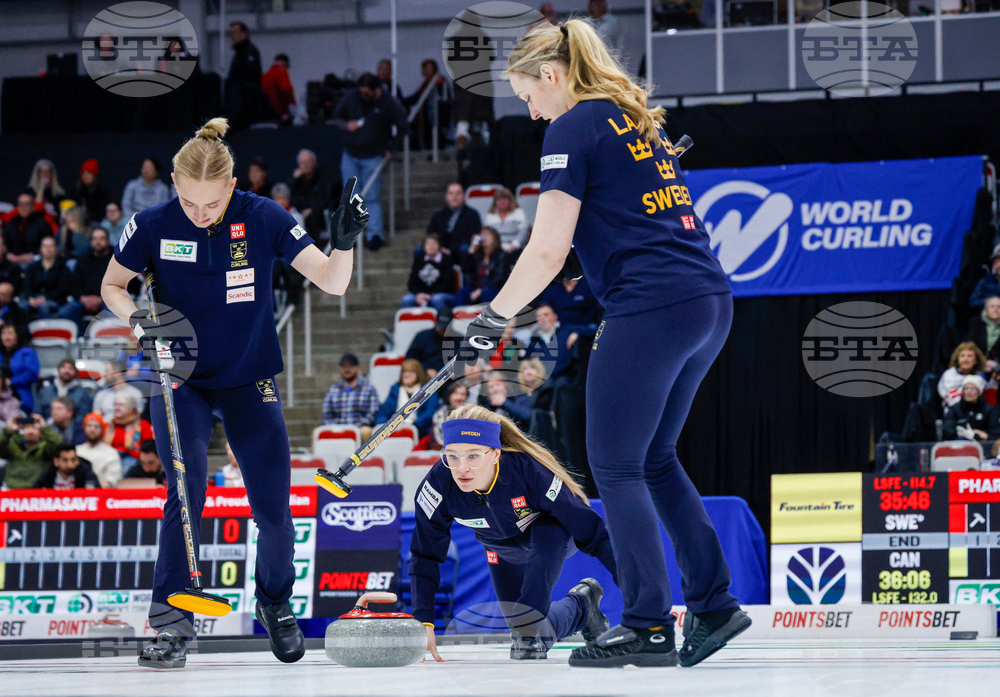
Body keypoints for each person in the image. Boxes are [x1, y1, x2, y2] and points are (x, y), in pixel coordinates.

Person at [460, 19, 751, 668]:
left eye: (528, 96)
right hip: (708, 300)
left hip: (650, 306)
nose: (532, 113)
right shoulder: (632, 117)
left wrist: (492, 317)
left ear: (551, 75)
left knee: (615, 465)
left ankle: (647, 624)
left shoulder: (572, 126)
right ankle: (714, 604)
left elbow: (545, 251)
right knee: (654, 458)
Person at [101, 117, 365, 668]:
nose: (200, 214)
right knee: (186, 489)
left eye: (211, 203)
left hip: (248, 377)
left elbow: (333, 280)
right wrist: (138, 321)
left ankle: (275, 602)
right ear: (174, 185)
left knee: (273, 509)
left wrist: (343, 244)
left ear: (232, 185)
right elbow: (112, 286)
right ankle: (172, 623)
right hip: (180, 379)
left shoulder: (264, 216)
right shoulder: (150, 224)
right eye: (188, 202)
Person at [411, 405, 616, 660]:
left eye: (473, 456)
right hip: (501, 550)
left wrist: (637, 591)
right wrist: (424, 622)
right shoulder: (438, 486)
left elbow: (594, 532)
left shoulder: (529, 471)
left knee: (528, 619)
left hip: (552, 538)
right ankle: (583, 606)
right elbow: (425, 555)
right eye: (452, 456)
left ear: (495, 454)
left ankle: (531, 621)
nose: (461, 468)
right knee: (528, 640)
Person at [331, 72, 409, 251]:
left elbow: (403, 125)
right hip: (351, 154)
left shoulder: (388, 102)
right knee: (351, 197)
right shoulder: (352, 97)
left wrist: (392, 148)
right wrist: (346, 125)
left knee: (372, 197)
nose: (363, 95)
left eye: (367, 93)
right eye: (361, 91)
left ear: (376, 90)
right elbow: (336, 118)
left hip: (374, 155)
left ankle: (375, 235)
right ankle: (352, 235)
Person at [58, 226, 113, 329]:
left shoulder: (117, 259)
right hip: (84, 300)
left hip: (108, 301)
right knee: (64, 313)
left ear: (108, 241)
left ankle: (104, 336)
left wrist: (101, 299)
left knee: (115, 313)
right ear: (91, 242)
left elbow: (122, 285)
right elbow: (74, 284)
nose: (98, 242)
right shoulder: (83, 259)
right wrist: (82, 298)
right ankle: (83, 334)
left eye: (102, 238)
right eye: (95, 238)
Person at [321, 353, 381, 441]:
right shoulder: (333, 390)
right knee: (317, 432)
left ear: (358, 368)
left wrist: (354, 427)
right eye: (344, 367)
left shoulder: (369, 389)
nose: (347, 369)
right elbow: (326, 415)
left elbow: (373, 413)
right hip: (337, 427)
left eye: (350, 366)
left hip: (360, 427)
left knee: (366, 431)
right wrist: (339, 427)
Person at [374, 358, 438, 438]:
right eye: (404, 371)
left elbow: (430, 413)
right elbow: (384, 411)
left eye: (411, 372)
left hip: (420, 429)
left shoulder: (428, 389)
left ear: (419, 373)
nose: (406, 374)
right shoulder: (395, 389)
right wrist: (384, 425)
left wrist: (412, 425)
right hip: (395, 427)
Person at [0, 412, 62, 489]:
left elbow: (58, 446)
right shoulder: (14, 445)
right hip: (12, 487)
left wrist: (44, 428)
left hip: (36, 488)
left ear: (40, 432)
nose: (30, 431)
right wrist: (8, 431)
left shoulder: (45, 447)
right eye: (27, 428)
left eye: (34, 428)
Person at [224, 22, 267, 131]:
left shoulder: (248, 52)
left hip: (244, 108)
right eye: (231, 33)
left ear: (244, 34)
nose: (232, 36)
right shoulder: (240, 53)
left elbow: (251, 80)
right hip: (239, 105)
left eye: (235, 32)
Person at [21, 236, 71, 319]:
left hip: (54, 300)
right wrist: (30, 298)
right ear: (41, 249)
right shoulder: (32, 267)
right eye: (45, 246)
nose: (48, 249)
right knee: (22, 306)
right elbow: (27, 285)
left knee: (44, 306)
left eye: (50, 246)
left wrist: (46, 298)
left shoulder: (63, 268)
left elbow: (62, 289)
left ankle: (45, 327)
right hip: (34, 298)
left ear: (56, 249)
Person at [402, 234, 456, 310]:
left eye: (434, 243)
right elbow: (412, 282)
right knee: (407, 299)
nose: (431, 246)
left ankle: (442, 317)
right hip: (421, 294)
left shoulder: (446, 260)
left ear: (439, 246)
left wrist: (431, 295)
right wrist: (419, 294)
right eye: (428, 244)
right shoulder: (419, 260)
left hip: (441, 294)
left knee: (437, 299)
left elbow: (448, 283)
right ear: (424, 247)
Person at [457, 227, 508, 306]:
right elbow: (465, 270)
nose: (484, 237)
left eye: (487, 234)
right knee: (463, 291)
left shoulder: (501, 255)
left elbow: (499, 278)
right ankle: (461, 313)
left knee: (486, 292)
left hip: (494, 289)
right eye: (482, 234)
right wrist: (471, 250)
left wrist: (481, 290)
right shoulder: (478, 255)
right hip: (477, 288)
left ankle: (488, 313)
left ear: (494, 238)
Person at [289, 149, 332, 243]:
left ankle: (311, 246)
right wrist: (294, 180)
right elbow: (290, 198)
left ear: (314, 163)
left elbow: (325, 199)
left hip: (317, 215)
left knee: (312, 218)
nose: (305, 165)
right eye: (302, 163)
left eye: (307, 162)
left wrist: (311, 209)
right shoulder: (296, 182)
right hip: (299, 214)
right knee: (292, 219)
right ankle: (297, 246)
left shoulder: (322, 179)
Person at [427, 183, 482, 256]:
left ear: (464, 196)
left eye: (458, 193)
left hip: (460, 248)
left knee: (465, 248)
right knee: (419, 250)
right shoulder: (438, 215)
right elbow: (431, 233)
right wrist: (440, 247)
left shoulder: (472, 215)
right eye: (451, 193)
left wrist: (452, 250)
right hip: (440, 247)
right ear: (446, 197)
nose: (454, 197)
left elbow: (473, 236)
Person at [943, 375, 1000, 441]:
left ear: (979, 392)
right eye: (966, 389)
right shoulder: (955, 409)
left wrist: (978, 435)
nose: (969, 392)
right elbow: (947, 430)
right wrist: (961, 433)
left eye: (973, 389)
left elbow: (995, 433)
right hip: (959, 444)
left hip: (984, 444)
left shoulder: (989, 409)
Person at [4, 192, 55, 264]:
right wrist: (8, 254)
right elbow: (5, 244)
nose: (24, 207)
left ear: (33, 207)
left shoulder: (43, 225)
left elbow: (48, 246)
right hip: (12, 262)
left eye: (27, 204)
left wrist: (33, 256)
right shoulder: (10, 224)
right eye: (21, 204)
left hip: (35, 262)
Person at [105, 393, 154, 467]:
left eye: (121, 405)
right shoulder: (108, 426)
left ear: (132, 408)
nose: (117, 408)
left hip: (133, 461)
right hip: (109, 459)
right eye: (115, 405)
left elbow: (148, 450)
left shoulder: (143, 426)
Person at [76, 411, 122, 488]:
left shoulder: (111, 453)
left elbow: (113, 478)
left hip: (102, 491)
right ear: (84, 428)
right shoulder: (77, 451)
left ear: (102, 430)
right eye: (89, 426)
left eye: (96, 427)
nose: (92, 429)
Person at [0, 323, 39, 409]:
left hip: (19, 396)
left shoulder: (27, 352)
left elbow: (31, 374)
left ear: (17, 336)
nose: (6, 337)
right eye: (3, 333)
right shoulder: (1, 354)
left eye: (10, 333)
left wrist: (10, 382)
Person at [938, 342, 986, 409]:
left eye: (969, 356)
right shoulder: (949, 375)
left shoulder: (979, 377)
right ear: (957, 359)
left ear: (975, 361)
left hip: (975, 411)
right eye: (962, 356)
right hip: (953, 411)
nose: (965, 359)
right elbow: (952, 400)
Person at [405, 309, 452, 377]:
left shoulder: (459, 339)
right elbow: (410, 360)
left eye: (445, 328)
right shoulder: (422, 337)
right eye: (440, 327)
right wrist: (424, 369)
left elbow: (464, 361)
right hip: (425, 377)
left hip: (450, 378)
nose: (442, 330)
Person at [33, 442, 100, 489]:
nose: (70, 465)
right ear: (56, 461)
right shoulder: (47, 477)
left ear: (77, 460)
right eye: (65, 460)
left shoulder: (87, 476)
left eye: (73, 460)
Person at [483, 187, 530, 254]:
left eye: (505, 199)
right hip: (496, 249)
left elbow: (524, 232)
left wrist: (515, 245)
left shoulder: (519, 213)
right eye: (499, 200)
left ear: (511, 201)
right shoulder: (490, 216)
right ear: (495, 202)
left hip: (515, 248)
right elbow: (487, 235)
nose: (502, 202)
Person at [427, 382, 468, 450]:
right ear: (449, 396)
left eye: (463, 394)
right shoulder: (440, 414)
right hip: (441, 449)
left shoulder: (472, 414)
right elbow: (435, 439)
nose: (459, 397)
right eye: (456, 394)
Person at [70, 159, 111, 224]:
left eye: (89, 173)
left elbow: (102, 211)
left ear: (95, 175)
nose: (85, 176)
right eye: (83, 173)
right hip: (78, 222)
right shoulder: (76, 190)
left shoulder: (103, 191)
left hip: (98, 223)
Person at [966, 295, 1000, 368]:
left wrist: (996, 365)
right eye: (992, 306)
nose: (995, 309)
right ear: (986, 309)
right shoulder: (975, 323)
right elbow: (969, 345)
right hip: (976, 364)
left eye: (999, 307)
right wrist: (982, 362)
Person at [262, 54, 297, 125]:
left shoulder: (266, 75)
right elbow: (286, 89)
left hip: (267, 113)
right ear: (285, 63)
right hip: (280, 113)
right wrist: (291, 106)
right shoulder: (281, 72)